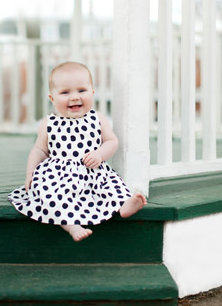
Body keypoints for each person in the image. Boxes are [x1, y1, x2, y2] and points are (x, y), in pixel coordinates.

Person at [9, 61, 146, 241]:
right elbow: (40, 150)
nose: (74, 97)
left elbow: (111, 141)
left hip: (93, 174)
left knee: (113, 186)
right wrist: (30, 174)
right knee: (48, 193)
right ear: (52, 98)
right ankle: (71, 225)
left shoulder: (97, 119)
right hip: (58, 176)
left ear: (92, 93)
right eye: (65, 92)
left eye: (81, 91)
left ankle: (124, 206)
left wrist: (100, 154)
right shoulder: (48, 124)